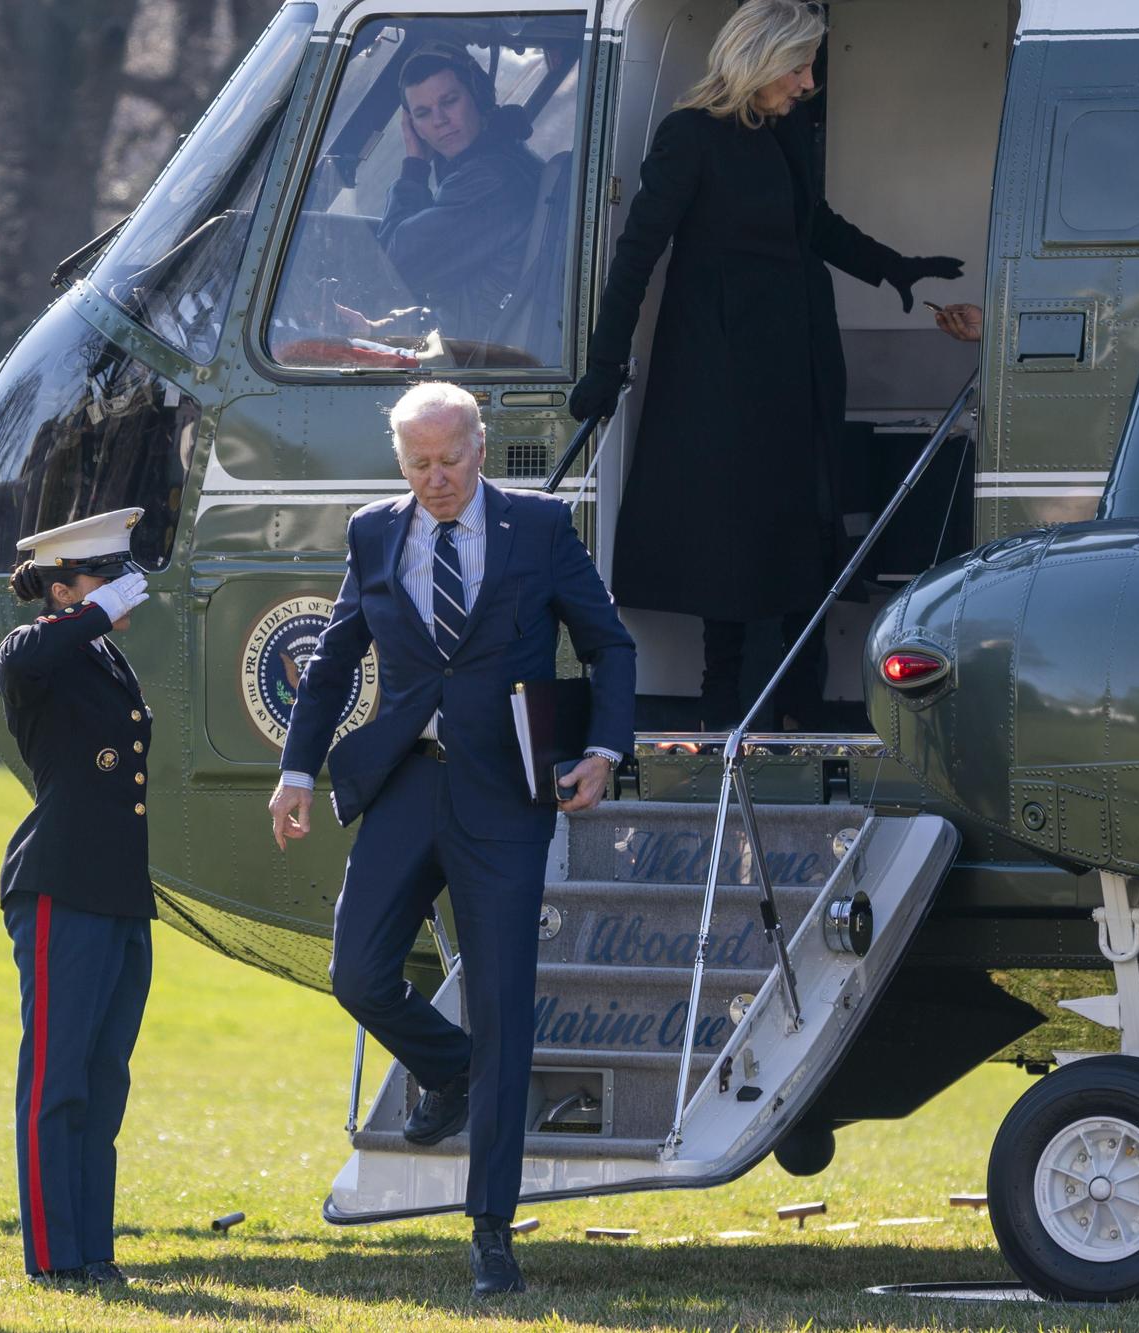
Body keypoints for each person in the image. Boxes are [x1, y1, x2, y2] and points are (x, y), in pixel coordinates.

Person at [266, 382, 636, 1296]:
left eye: (450, 459)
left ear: (482, 446)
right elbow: (337, 660)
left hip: (505, 797)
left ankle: (491, 1231)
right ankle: (448, 1067)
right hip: (404, 783)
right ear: (401, 463)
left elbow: (609, 645)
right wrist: (297, 769)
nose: (436, 479)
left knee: (505, 1007)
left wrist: (604, 748)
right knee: (355, 971)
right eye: (419, 463)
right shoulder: (373, 532)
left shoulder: (540, 529)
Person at [568, 0, 975, 729]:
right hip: (721, 374)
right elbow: (637, 255)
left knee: (801, 533)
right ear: (756, 60)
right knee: (729, 542)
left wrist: (897, 270)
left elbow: (813, 224)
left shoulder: (780, 135)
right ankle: (724, 719)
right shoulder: (689, 137)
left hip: (799, 363)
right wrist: (605, 364)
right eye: (798, 66)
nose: (808, 82)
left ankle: (799, 711)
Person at [0, 507, 156, 1288]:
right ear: (63, 589)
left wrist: (97, 612)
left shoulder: (102, 662)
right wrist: (93, 610)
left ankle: (94, 1250)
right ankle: (54, 1257)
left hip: (118, 892)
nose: (123, 591)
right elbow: (29, 653)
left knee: (103, 1078)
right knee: (57, 1081)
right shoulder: (37, 650)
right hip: (61, 885)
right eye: (105, 575)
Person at [351, 45, 546, 347]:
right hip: (472, 344)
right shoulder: (498, 162)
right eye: (423, 113)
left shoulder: (490, 181)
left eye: (449, 101)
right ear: (415, 127)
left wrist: (415, 166)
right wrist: (376, 329)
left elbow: (398, 270)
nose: (439, 119)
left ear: (479, 99)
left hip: (476, 359)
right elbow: (464, 298)